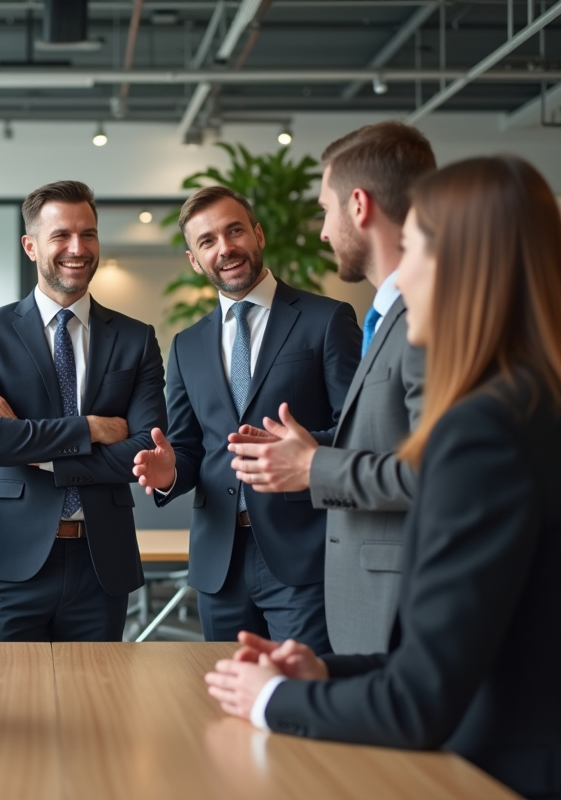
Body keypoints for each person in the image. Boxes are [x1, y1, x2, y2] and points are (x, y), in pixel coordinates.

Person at [205, 156, 561, 800]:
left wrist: (273, 701)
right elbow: (484, 651)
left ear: (465, 267)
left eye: (418, 247)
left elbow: (418, 704)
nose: (401, 275)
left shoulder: (484, 431)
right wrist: (326, 671)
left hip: (514, 773)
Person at [227, 121, 434, 654]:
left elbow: (442, 472)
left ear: (358, 205)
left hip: (401, 600)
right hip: (369, 597)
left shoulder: (428, 319)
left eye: (326, 208)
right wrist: (310, 451)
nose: (322, 230)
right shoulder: (392, 316)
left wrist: (312, 466)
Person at [132, 186, 360, 649]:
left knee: (302, 701)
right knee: (226, 702)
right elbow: (192, 447)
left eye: (234, 231)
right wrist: (169, 471)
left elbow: (359, 429)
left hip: (303, 555)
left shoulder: (326, 320)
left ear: (257, 234)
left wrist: (301, 451)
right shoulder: (187, 345)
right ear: (196, 260)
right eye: (208, 241)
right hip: (220, 562)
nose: (225, 248)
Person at [0, 180, 167, 641]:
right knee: (1, 704)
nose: (78, 248)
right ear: (31, 246)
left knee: (96, 708)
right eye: (61, 236)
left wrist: (33, 447)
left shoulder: (135, 338)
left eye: (88, 234)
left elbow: (143, 448)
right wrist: (88, 428)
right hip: (9, 558)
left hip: (101, 561)